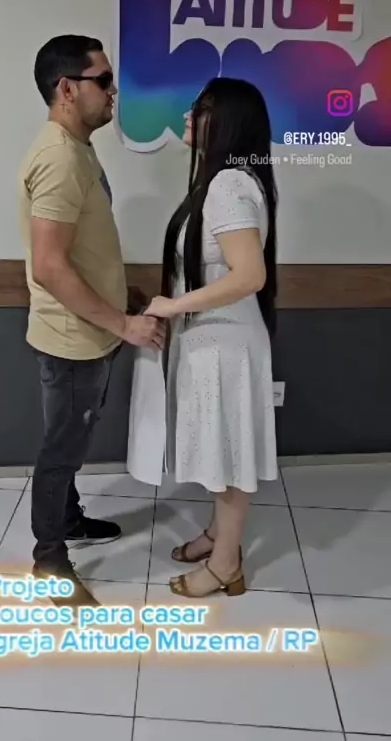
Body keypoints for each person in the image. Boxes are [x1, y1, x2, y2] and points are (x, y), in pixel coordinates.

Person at [18, 35, 164, 604]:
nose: (113, 91)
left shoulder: (76, 149)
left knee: (72, 440)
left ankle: (69, 519)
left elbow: (80, 249)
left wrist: (120, 294)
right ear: (67, 89)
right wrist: (125, 325)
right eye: (103, 80)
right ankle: (49, 562)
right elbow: (50, 265)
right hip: (73, 339)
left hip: (89, 331)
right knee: (61, 450)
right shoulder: (59, 158)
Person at [145, 77, 278, 599]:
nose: (188, 116)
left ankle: (226, 563)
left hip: (225, 345)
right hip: (215, 340)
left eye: (199, 109)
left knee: (229, 455)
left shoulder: (228, 185)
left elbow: (250, 275)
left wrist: (172, 306)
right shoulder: (228, 181)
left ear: (226, 123)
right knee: (220, 448)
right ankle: (217, 536)